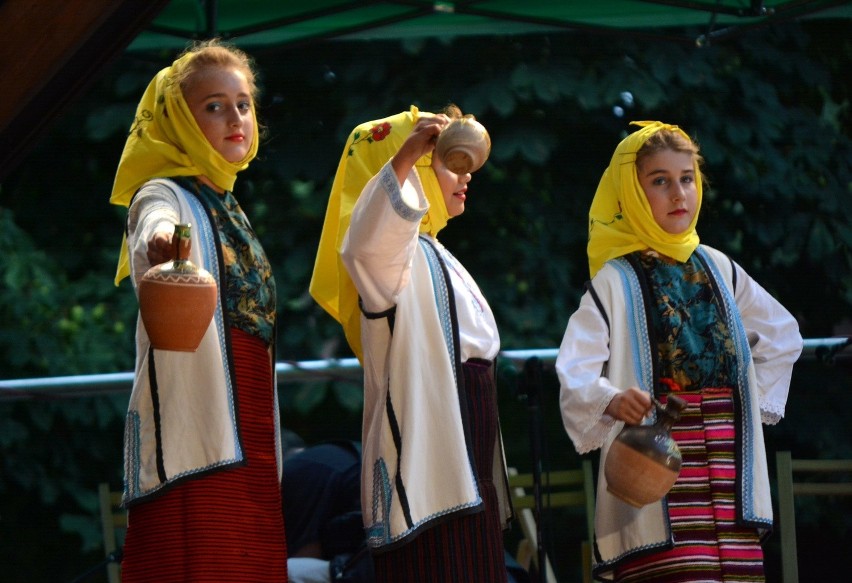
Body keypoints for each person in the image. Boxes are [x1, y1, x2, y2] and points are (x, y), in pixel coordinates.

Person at [555, 121, 803, 582]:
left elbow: (782, 335)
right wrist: (610, 398)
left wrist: (747, 401)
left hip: (729, 478)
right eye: (660, 181)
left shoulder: (720, 267)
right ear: (631, 191)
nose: (678, 193)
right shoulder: (614, 281)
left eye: (686, 178)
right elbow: (574, 369)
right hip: (655, 479)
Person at [310, 105, 514, 582]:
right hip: (424, 472)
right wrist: (408, 152)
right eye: (445, 161)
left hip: (468, 461)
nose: (466, 174)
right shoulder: (389, 261)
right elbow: (363, 241)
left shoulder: (434, 251)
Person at [108, 39, 287, 582]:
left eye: (243, 103)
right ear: (180, 119)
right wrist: (166, 244)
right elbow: (152, 222)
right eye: (214, 105)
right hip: (200, 415)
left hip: (248, 413)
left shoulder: (228, 204)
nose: (235, 116)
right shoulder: (163, 192)